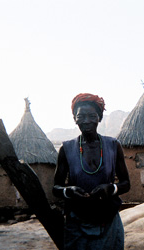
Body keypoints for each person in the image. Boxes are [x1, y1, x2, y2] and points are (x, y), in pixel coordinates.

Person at [53, 93, 130, 250]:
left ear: (99, 118)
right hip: (77, 222)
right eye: (81, 116)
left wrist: (111, 188)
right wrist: (69, 191)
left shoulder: (113, 146)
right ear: (75, 119)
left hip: (108, 220)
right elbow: (56, 188)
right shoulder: (66, 149)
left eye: (92, 116)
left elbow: (126, 183)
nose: (86, 121)